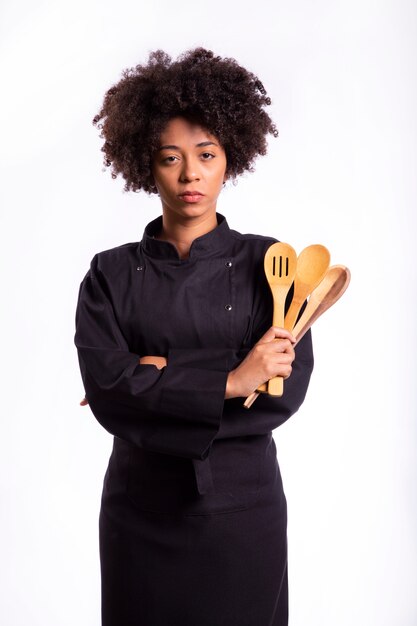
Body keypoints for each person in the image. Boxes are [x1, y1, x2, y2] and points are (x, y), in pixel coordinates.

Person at [74, 47, 314, 626]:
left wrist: (156, 376)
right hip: (140, 512)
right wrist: (231, 378)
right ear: (144, 164)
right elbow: (108, 391)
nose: (190, 175)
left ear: (230, 157)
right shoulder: (108, 273)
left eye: (206, 155)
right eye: (170, 157)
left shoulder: (271, 263)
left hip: (243, 513)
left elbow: (284, 389)